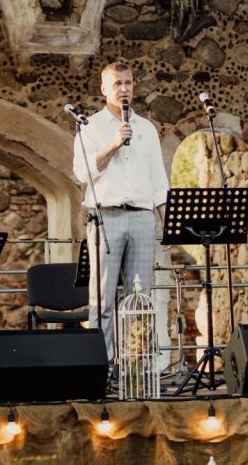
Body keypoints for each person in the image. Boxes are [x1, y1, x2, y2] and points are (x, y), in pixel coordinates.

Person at [73, 61, 170, 360]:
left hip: (141, 218)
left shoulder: (147, 129)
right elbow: (82, 172)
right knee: (101, 298)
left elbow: (158, 181)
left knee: (140, 297)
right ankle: (101, 365)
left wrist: (167, 224)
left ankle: (135, 366)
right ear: (104, 89)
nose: (124, 88)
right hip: (107, 217)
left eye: (128, 82)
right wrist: (114, 143)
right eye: (117, 83)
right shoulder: (89, 126)